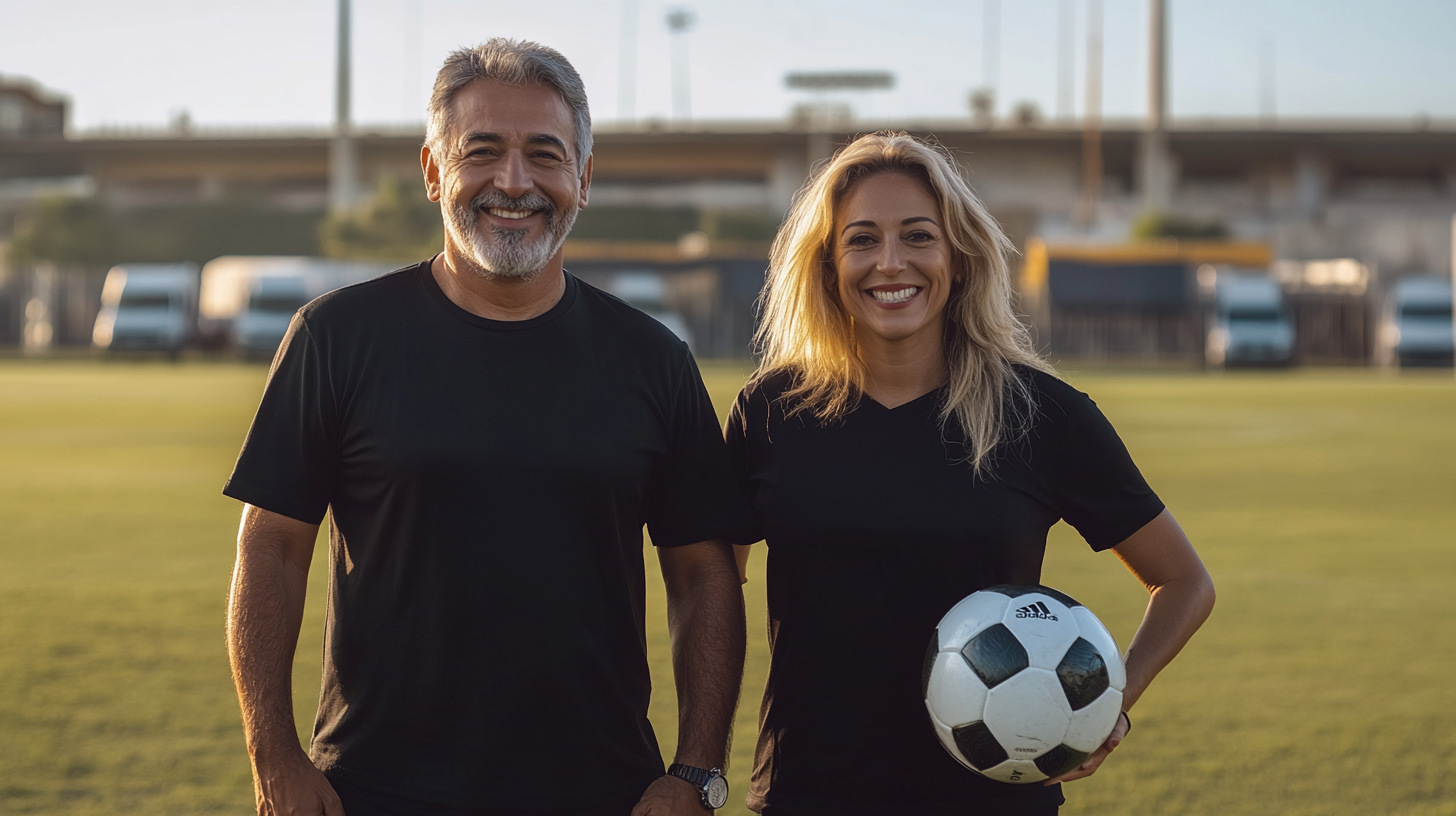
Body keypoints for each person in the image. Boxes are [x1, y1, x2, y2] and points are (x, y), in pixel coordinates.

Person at [224, 39, 753, 816]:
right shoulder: (336, 338)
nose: (514, 181)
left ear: (583, 178)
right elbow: (270, 545)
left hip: (602, 795)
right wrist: (272, 754)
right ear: (435, 170)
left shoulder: (653, 360)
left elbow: (704, 576)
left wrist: (698, 771)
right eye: (482, 152)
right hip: (374, 792)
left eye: (546, 154)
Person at [724, 132, 1216, 816]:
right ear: (828, 263)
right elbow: (712, 585)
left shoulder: (1041, 414)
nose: (890, 262)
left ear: (958, 258)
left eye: (918, 236)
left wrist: (1105, 704)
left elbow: (1185, 580)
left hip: (992, 803)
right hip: (809, 794)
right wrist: (697, 761)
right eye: (862, 239)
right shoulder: (773, 410)